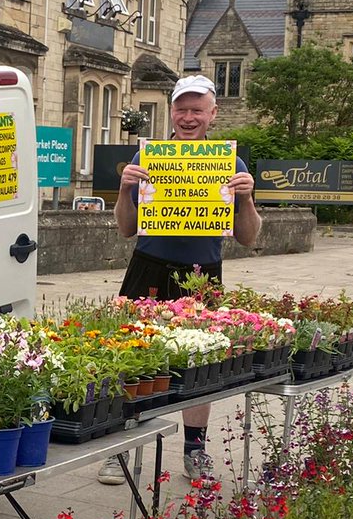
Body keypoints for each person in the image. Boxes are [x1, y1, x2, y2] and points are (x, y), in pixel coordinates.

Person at [98, 74, 263, 485]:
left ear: (212, 113)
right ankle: (120, 448)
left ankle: (195, 450)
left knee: (200, 365)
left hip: (201, 274)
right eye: (181, 108)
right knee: (130, 359)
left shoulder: (231, 162)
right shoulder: (149, 158)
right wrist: (123, 191)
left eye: (197, 109)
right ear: (171, 111)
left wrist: (246, 196)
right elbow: (125, 229)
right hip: (149, 264)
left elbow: (249, 236)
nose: (188, 117)